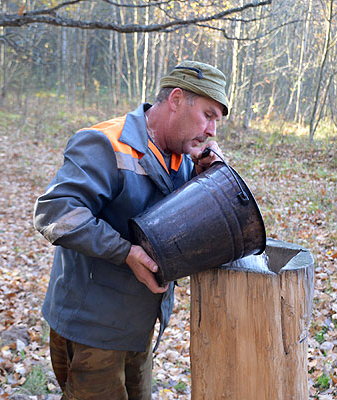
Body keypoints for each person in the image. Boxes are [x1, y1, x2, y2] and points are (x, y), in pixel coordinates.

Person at [33, 60, 229, 400]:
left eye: (217, 121)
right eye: (208, 115)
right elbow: (54, 212)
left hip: (137, 329)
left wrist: (207, 179)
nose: (212, 130)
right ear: (177, 99)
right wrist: (125, 252)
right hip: (92, 330)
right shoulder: (105, 142)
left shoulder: (183, 158)